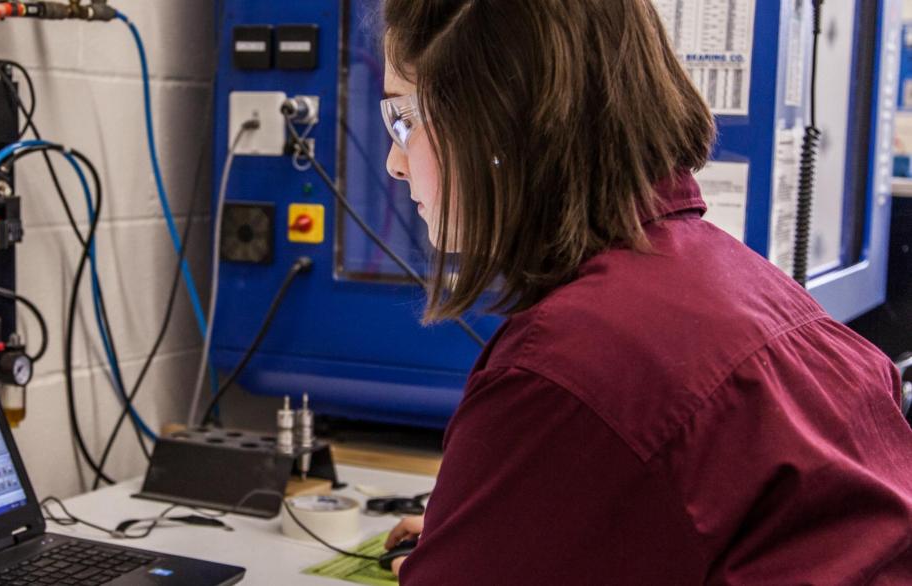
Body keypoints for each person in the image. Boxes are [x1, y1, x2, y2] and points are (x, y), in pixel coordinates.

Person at [377, 0, 912, 583]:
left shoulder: (563, 370)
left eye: (404, 118)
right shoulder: (734, 280)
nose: (394, 162)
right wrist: (492, 535)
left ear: (494, 117)